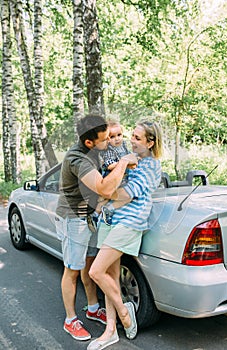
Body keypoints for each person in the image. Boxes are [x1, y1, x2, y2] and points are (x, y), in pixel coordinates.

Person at [55, 114, 138, 341]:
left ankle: (93, 308)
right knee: (72, 269)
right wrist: (122, 163)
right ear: (89, 142)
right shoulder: (77, 159)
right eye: (104, 140)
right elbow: (102, 187)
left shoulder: (98, 149)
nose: (108, 142)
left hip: (91, 216)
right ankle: (70, 320)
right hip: (73, 218)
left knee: (89, 264)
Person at [87, 120, 163, 350]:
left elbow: (123, 195)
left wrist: (103, 196)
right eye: (133, 136)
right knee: (111, 275)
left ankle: (124, 312)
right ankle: (110, 331)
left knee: (96, 271)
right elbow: (104, 182)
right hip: (111, 220)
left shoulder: (151, 165)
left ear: (150, 142)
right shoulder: (126, 158)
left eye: (138, 138)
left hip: (129, 223)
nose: (132, 140)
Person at [98, 120, 132, 225]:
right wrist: (124, 163)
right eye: (112, 137)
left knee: (108, 198)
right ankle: (107, 210)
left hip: (123, 177)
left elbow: (129, 155)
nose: (117, 139)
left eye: (119, 135)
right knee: (127, 196)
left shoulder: (124, 144)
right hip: (112, 177)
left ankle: (99, 213)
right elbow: (110, 165)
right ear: (107, 139)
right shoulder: (108, 149)